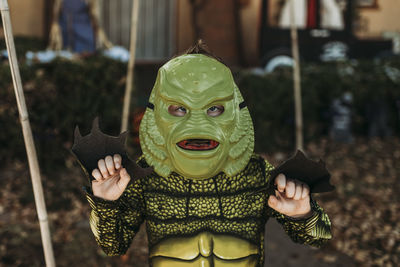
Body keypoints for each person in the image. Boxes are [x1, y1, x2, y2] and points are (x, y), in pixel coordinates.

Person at [83, 43, 331, 266]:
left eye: (214, 108)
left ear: (236, 109)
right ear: (156, 112)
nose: (197, 125)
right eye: (178, 108)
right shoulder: (147, 176)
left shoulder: (257, 175)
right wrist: (106, 203)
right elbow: (112, 246)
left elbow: (318, 238)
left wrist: (303, 214)